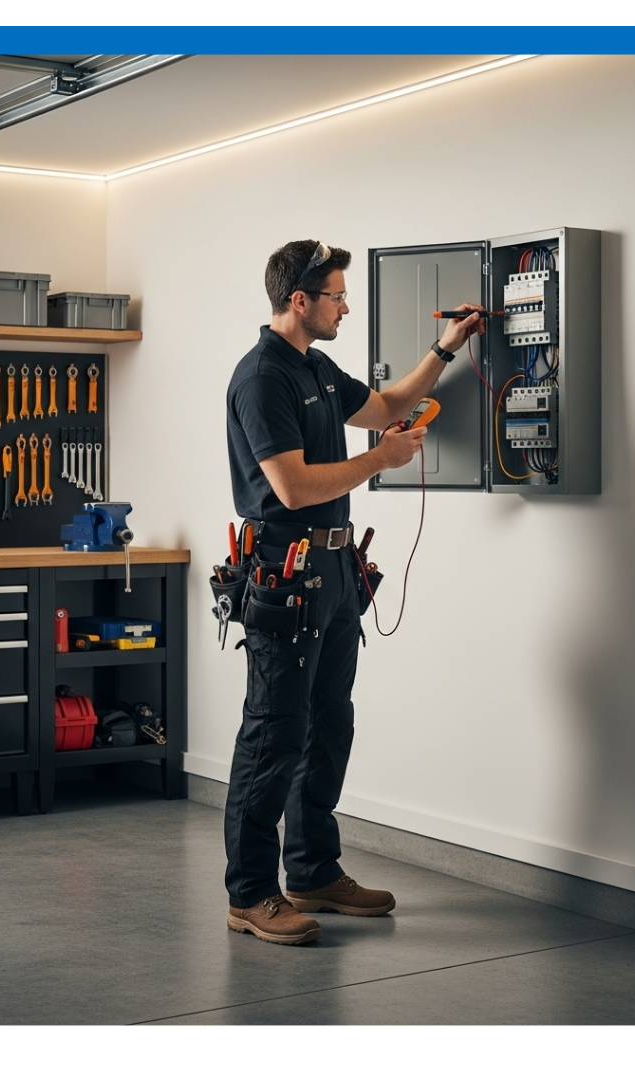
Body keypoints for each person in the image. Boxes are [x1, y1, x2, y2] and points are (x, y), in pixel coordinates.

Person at [224, 239, 483, 945]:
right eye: (336, 295)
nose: (345, 305)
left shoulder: (315, 367)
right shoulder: (262, 378)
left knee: (328, 725)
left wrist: (446, 347)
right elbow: (293, 485)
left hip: (336, 577)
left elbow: (390, 403)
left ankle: (312, 871)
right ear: (299, 301)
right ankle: (250, 894)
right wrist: (380, 460)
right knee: (273, 735)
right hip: (287, 574)